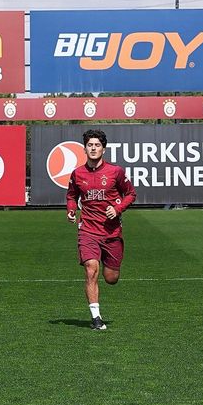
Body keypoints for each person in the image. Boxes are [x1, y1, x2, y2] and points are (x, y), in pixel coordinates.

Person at [65, 128, 135, 330]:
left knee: (111, 278)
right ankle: (96, 318)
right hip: (87, 229)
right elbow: (71, 196)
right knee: (91, 268)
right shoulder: (77, 173)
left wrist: (118, 209)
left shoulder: (116, 172)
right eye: (90, 145)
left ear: (104, 149)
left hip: (111, 232)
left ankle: (108, 261)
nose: (93, 148)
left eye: (97, 145)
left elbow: (131, 194)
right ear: (85, 149)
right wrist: (71, 210)